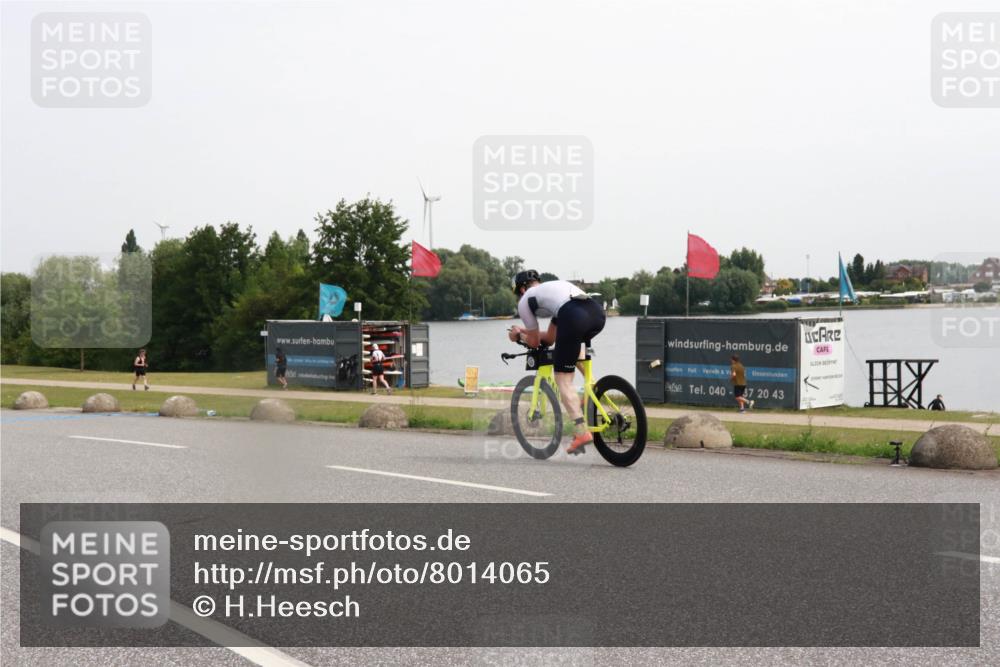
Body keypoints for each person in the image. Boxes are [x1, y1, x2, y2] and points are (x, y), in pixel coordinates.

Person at [507, 270, 606, 455]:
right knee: (571, 344)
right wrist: (526, 331)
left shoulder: (524, 301)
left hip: (572, 316)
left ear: (521, 289)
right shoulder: (554, 291)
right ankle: (592, 386)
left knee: (562, 379)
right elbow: (551, 338)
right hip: (596, 313)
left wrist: (518, 335)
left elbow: (535, 342)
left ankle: (581, 432)